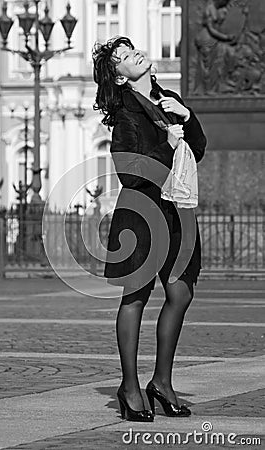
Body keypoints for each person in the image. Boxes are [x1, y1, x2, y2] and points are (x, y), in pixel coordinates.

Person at [92, 36, 207, 422]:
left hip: (176, 212)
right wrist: (167, 147)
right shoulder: (125, 114)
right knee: (136, 298)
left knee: (181, 294)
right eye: (123, 58)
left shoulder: (168, 99)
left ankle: (161, 382)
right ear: (121, 78)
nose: (134, 54)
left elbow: (199, 149)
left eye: (131, 49)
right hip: (141, 214)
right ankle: (129, 387)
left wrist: (188, 118)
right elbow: (128, 171)